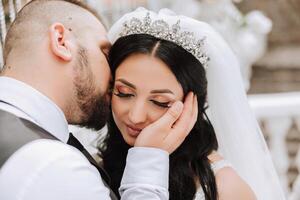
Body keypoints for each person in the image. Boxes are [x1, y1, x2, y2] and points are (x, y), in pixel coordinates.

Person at [0, 1, 198, 200]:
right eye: (105, 53)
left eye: (160, 101)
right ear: (61, 41)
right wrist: (148, 161)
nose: (111, 75)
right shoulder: (53, 165)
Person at [98, 8, 286, 200]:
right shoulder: (91, 164)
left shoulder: (224, 189)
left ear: (192, 104)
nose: (135, 116)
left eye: (160, 102)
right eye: (124, 93)